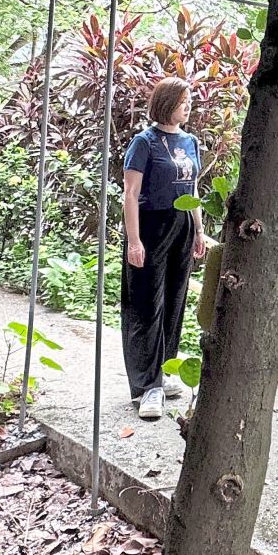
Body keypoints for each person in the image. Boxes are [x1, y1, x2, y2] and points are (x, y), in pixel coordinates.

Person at [121, 77, 206, 420]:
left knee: (174, 301)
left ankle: (163, 370)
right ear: (166, 102)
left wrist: (199, 230)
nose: (189, 106)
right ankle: (146, 386)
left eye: (190, 101)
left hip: (182, 225)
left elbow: (194, 186)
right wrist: (134, 239)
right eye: (183, 101)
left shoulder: (191, 141)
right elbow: (130, 194)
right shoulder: (144, 142)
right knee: (146, 305)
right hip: (151, 225)